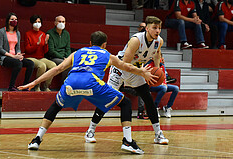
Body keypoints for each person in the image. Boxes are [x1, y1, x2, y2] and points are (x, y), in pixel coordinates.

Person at [18, 31, 156, 154]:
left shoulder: (77, 53)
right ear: (104, 45)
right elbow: (126, 67)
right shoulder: (107, 54)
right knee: (125, 103)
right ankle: (127, 141)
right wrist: (141, 72)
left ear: (90, 43)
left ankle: (37, 139)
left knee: (56, 105)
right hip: (91, 83)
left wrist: (34, 82)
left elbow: (57, 69)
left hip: (71, 82)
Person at [85, 16, 169, 145]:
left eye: (159, 28)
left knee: (148, 99)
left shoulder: (159, 41)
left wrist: (157, 70)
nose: (157, 31)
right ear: (147, 28)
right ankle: (90, 130)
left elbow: (157, 53)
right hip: (121, 68)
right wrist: (142, 73)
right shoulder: (136, 40)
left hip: (136, 69)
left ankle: (158, 134)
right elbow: (125, 64)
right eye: (154, 28)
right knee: (107, 99)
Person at [0, 12, 34, 91]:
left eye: (16, 19)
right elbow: (0, 48)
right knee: (18, 63)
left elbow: (18, 47)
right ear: (8, 21)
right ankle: (11, 86)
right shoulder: (1, 31)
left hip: (15, 56)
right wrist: (13, 56)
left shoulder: (17, 33)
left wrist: (18, 54)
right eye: (12, 19)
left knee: (30, 63)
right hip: (5, 57)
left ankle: (25, 86)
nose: (14, 21)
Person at [25, 15, 57, 91]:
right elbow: (27, 50)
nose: (37, 23)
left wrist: (46, 43)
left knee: (53, 65)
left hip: (41, 57)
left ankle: (46, 86)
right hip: (31, 57)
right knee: (42, 66)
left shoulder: (43, 34)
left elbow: (45, 51)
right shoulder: (28, 34)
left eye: (39, 22)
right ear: (32, 23)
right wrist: (37, 44)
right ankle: (37, 86)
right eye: (35, 22)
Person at [45, 15, 71, 83]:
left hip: (64, 57)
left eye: (63, 22)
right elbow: (51, 51)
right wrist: (63, 58)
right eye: (59, 21)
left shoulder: (66, 34)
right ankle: (63, 85)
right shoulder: (50, 33)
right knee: (66, 65)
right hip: (54, 57)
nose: (61, 23)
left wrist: (67, 57)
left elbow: (68, 48)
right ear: (55, 23)